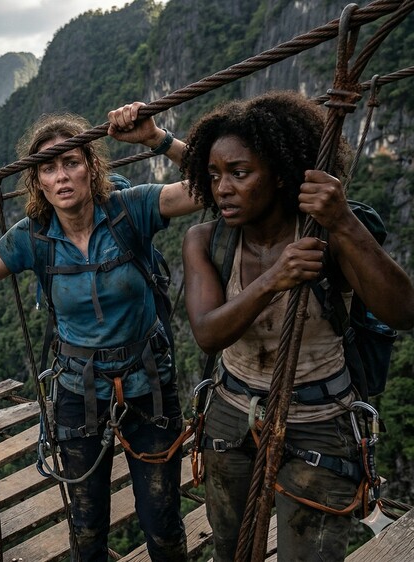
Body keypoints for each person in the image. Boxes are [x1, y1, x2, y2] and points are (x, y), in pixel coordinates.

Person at [0, 103, 199, 562]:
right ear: (38, 183)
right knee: (87, 530)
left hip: (149, 387)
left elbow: (213, 187)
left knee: (162, 523)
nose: (62, 176)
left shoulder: (132, 209)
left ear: (91, 167)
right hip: (77, 392)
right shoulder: (35, 236)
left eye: (71, 161)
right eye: (48, 167)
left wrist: (156, 139)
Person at [180, 90, 414, 561]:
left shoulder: (328, 234)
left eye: (239, 173)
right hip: (230, 407)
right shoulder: (205, 239)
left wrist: (343, 221)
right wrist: (275, 279)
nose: (222, 188)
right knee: (230, 546)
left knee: (308, 556)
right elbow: (207, 331)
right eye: (214, 175)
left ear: (283, 175)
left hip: (321, 418)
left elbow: (404, 312)